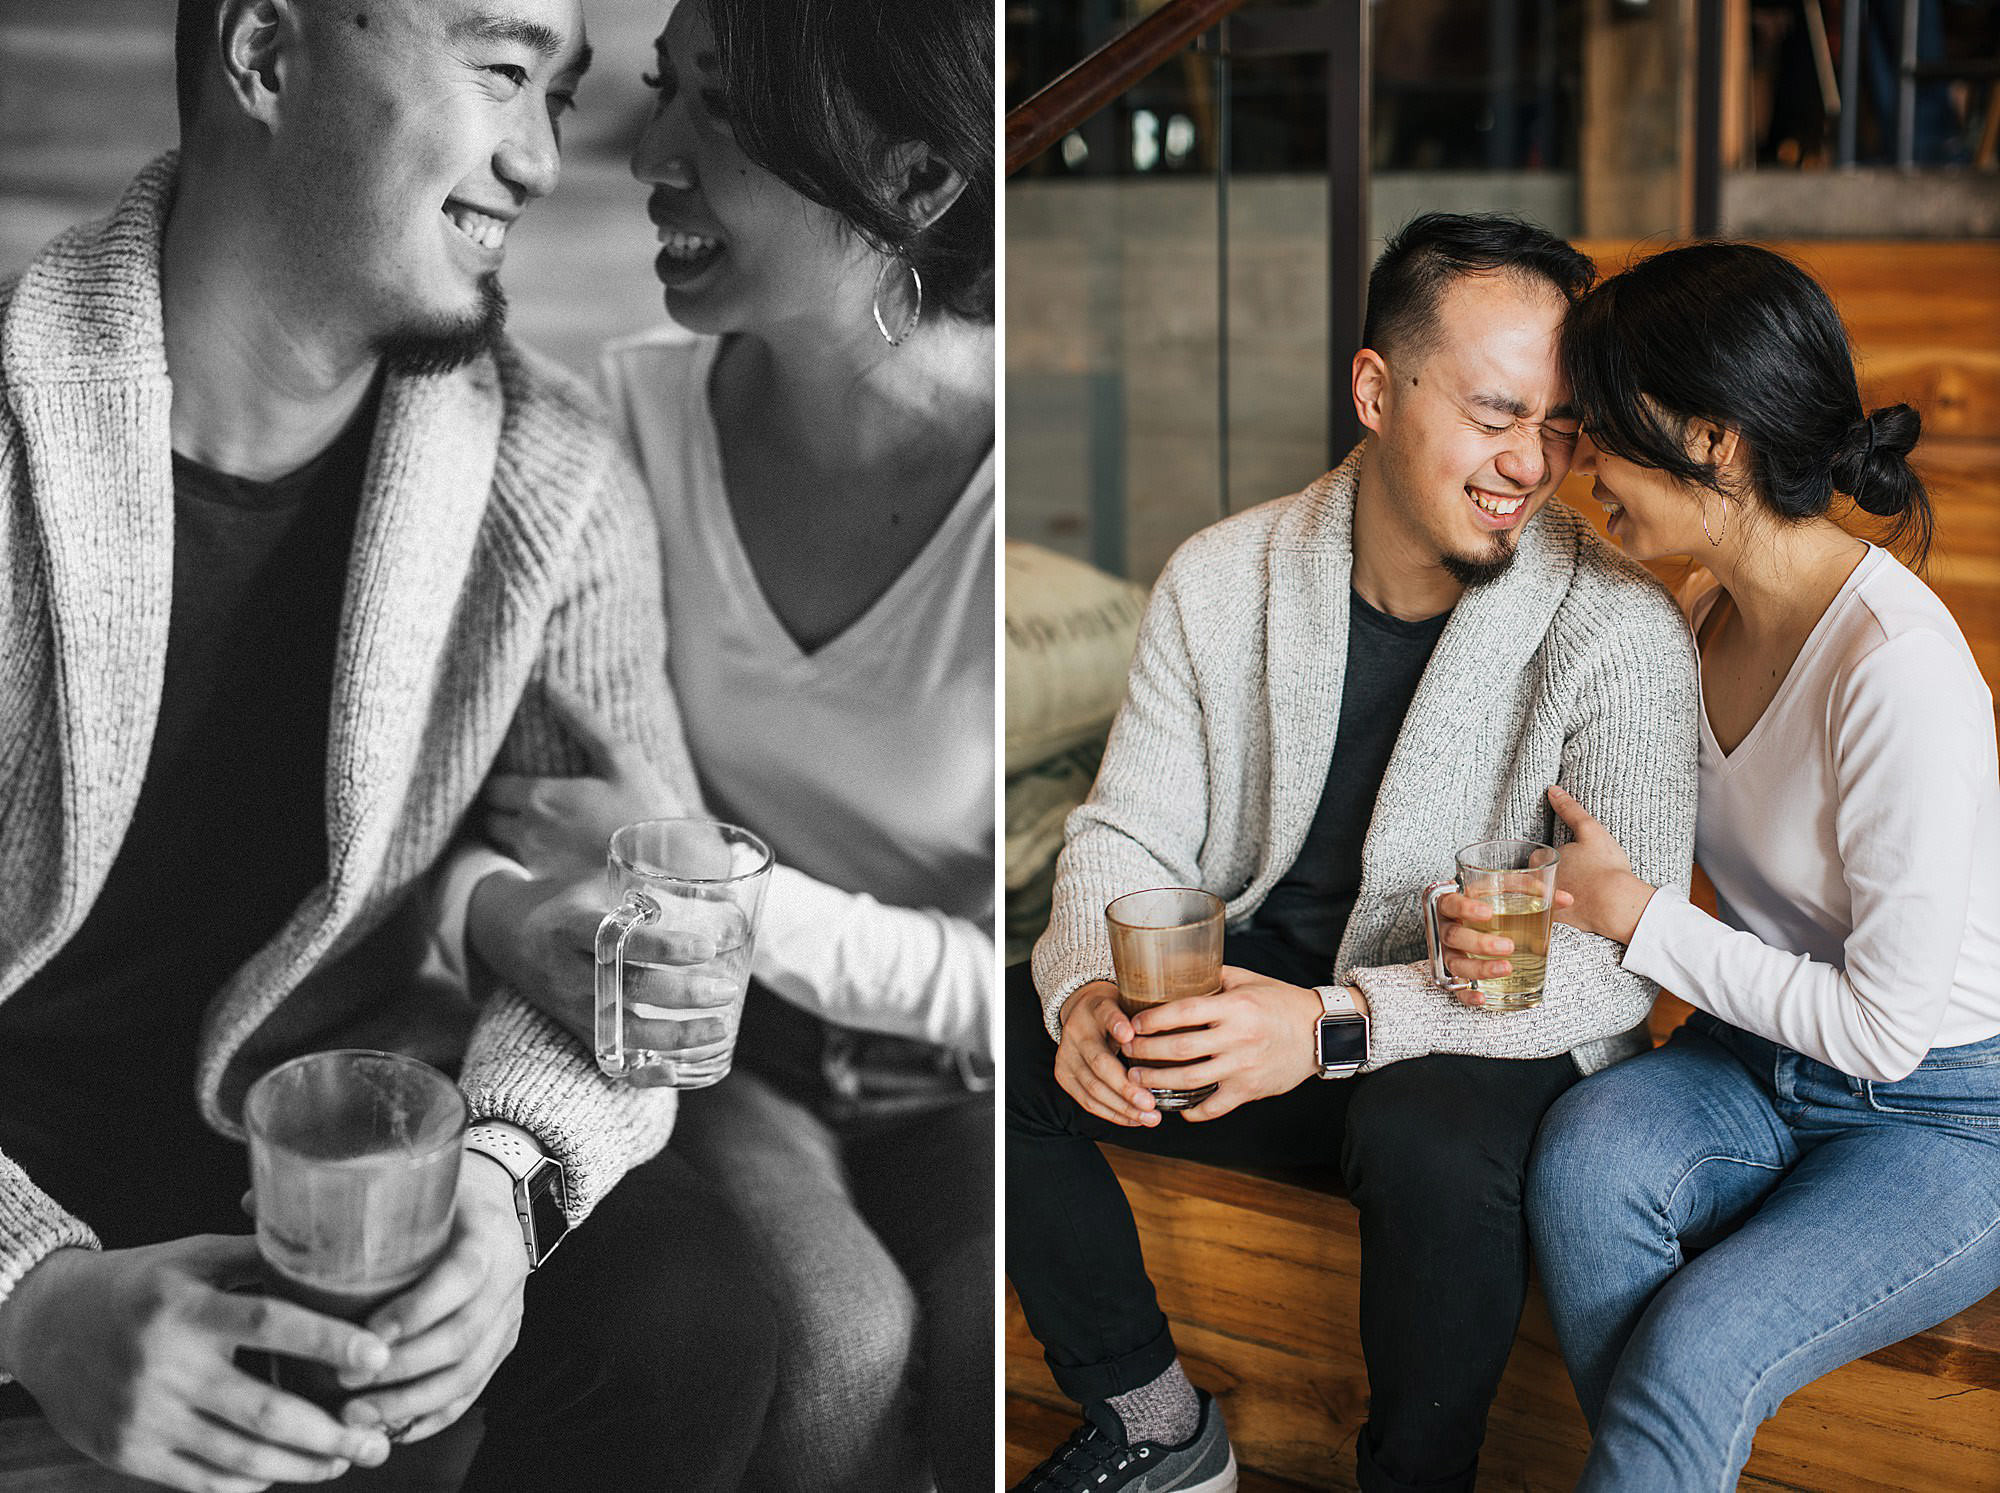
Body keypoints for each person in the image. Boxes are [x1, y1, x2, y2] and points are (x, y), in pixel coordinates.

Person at [0, 1, 779, 1489]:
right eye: (500, 68)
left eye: (558, 91)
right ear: (267, 55)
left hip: (355, 1131)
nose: (543, 157)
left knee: (695, 1318)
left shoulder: (551, 486)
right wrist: (30, 1293)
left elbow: (649, 934)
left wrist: (504, 1185)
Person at [1006, 214, 1701, 1493]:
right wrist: (1085, 994)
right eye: (1496, 414)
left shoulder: (1619, 630)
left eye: (1560, 428)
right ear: (1375, 390)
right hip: (1252, 997)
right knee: (987, 1030)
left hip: (1466, 1033)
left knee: (1427, 1129)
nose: (1529, 464)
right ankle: (1153, 1421)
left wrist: (1329, 1023)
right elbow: (1120, 832)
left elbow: (1616, 969)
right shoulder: (1222, 576)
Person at [473, 0, 996, 1488]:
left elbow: (1007, 974)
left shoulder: (1020, 488)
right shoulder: (622, 419)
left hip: (951, 1069)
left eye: (727, 113)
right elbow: (540, 811)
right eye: (664, 93)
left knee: (991, 1358)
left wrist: (733, 892)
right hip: (721, 1053)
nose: (650, 155)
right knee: (839, 1344)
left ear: (916, 184)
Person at [1481, 242, 2000, 1490]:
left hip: (1939, 1106)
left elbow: (1881, 1030)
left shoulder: (1894, 668)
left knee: (1691, 1354)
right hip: (1748, 1058)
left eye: (1599, 431)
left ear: (1709, 441)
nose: (1579, 469)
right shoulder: (1701, 609)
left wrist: (1637, 916)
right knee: (1584, 1156)